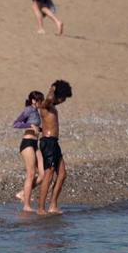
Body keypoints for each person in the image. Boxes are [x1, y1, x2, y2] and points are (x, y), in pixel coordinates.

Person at [36, 80, 73, 215]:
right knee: (49, 174)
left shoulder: (53, 108)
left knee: (62, 174)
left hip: (54, 143)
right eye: (63, 98)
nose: (63, 101)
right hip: (47, 142)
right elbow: (49, 98)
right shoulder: (46, 105)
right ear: (58, 95)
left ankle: (52, 205)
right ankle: (40, 208)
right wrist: (53, 88)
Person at [12, 90, 45, 212]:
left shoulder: (36, 111)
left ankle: (22, 193)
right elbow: (16, 124)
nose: (41, 102)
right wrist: (30, 126)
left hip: (35, 144)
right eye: (39, 100)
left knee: (42, 174)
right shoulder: (28, 110)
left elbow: (36, 127)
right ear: (33, 101)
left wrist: (42, 130)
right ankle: (26, 206)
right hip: (27, 144)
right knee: (31, 174)